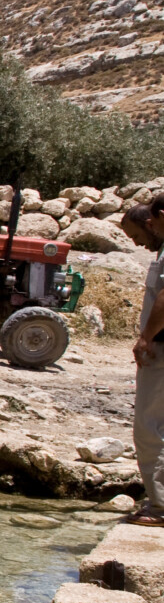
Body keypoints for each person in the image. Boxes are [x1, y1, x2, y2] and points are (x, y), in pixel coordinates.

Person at [122, 196, 164, 525]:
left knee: (150, 429)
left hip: (160, 352)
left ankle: (160, 506)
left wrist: (146, 338)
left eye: (148, 225)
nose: (145, 233)